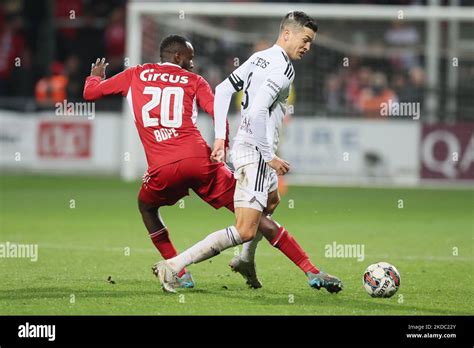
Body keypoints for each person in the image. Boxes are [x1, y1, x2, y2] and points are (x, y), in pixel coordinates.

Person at [155, 12, 343, 294]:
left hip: (248, 148)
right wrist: (269, 156)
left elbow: (221, 90)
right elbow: (255, 112)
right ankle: (174, 265)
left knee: (271, 202)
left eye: (311, 42)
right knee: (245, 230)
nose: (308, 47)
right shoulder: (282, 69)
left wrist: (221, 137)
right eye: (305, 40)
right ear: (287, 34)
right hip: (256, 153)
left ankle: (246, 259)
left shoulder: (259, 57)